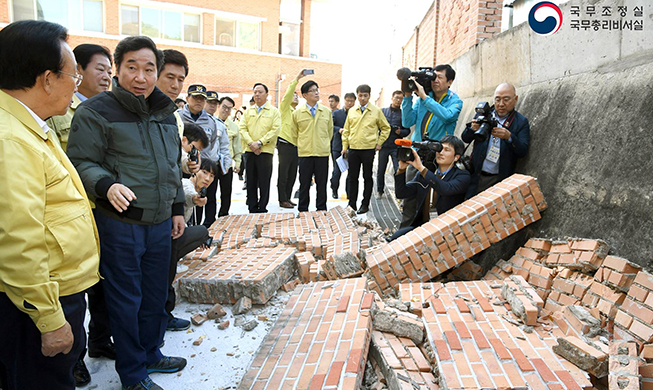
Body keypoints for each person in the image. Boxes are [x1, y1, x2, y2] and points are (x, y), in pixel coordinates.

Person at [67, 35, 187, 390]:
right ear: (118, 70)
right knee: (125, 301)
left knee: (154, 296)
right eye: (132, 67)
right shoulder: (95, 111)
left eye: (149, 68)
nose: (141, 76)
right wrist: (105, 184)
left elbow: (171, 167)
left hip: (161, 222)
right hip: (120, 224)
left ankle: (151, 352)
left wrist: (177, 208)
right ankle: (133, 374)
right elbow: (80, 161)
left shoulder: (166, 112)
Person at [0, 20, 100, 390]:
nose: (75, 88)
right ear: (46, 79)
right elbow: (18, 239)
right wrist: (49, 319)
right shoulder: (11, 140)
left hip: (51, 291)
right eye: (73, 78)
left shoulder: (28, 126)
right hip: (39, 302)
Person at [45, 42, 114, 387]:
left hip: (103, 209)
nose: (106, 76)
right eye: (98, 69)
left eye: (108, 70)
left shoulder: (110, 110)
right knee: (72, 293)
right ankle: (74, 359)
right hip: (71, 213)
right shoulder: (56, 110)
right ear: (79, 72)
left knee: (102, 284)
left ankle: (101, 341)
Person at [399, 64, 463, 228]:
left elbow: (447, 116)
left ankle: (428, 231)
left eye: (439, 77)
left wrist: (425, 98)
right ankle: (406, 230)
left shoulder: (455, 101)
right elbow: (407, 122)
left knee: (434, 199)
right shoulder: (423, 98)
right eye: (433, 77)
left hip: (438, 155)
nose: (435, 80)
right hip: (418, 151)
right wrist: (407, 96)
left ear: (449, 82)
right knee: (411, 196)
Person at [166, 151, 216, 332]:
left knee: (200, 233)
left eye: (211, 176)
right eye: (205, 173)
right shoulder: (186, 184)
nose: (208, 178)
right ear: (195, 171)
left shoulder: (195, 187)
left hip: (172, 235)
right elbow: (188, 195)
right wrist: (197, 199)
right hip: (167, 237)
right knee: (202, 230)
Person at [391, 135, 470, 240]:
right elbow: (401, 193)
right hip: (423, 226)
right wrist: (401, 170)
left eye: (447, 150)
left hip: (446, 231)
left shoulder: (463, 176)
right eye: (439, 148)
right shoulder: (427, 173)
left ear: (456, 157)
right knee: (396, 238)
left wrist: (421, 168)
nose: (441, 152)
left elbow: (445, 189)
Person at [462, 83, 530, 198]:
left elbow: (523, 151)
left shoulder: (520, 121)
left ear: (515, 99)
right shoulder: (483, 114)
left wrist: (509, 137)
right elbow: (465, 137)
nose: (501, 104)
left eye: (506, 99)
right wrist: (472, 129)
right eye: (497, 100)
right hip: (476, 175)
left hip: (499, 179)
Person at [178, 84, 231, 228]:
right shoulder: (177, 117)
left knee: (203, 199)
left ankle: (202, 227)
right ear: (187, 98)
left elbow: (213, 144)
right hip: (180, 167)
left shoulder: (212, 122)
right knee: (182, 199)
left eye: (202, 98)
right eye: (195, 98)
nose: (199, 101)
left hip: (203, 169)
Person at [341, 84, 391, 214]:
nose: (362, 98)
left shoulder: (376, 111)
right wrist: (345, 147)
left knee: (367, 177)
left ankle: (365, 204)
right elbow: (346, 130)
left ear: (369, 96)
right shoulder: (352, 111)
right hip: (354, 149)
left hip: (368, 149)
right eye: (360, 95)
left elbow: (386, 128)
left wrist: (379, 142)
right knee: (352, 177)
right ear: (357, 95)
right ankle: (352, 204)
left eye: (365, 95)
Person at [290, 80, 334, 212]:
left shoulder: (326, 111)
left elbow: (329, 132)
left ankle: (321, 210)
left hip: (322, 154)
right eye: (312, 91)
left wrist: (323, 143)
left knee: (322, 185)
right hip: (305, 154)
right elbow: (294, 134)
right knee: (304, 184)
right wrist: (303, 145)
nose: (316, 92)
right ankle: (303, 210)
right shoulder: (297, 113)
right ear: (304, 95)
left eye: (317, 90)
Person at [239, 83, 281, 213]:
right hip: (249, 150)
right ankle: (252, 207)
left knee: (264, 181)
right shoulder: (248, 111)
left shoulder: (273, 111)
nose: (257, 94)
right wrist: (251, 143)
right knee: (250, 180)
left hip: (265, 152)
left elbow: (275, 130)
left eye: (260, 92)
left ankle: (262, 207)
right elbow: (242, 128)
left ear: (267, 94)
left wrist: (260, 143)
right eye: (255, 92)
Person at [156, 49, 199, 175]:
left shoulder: (174, 117)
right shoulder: (137, 111)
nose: (175, 85)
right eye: (170, 77)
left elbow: (173, 154)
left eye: (180, 80)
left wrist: (186, 164)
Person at [277, 71, 306, 208]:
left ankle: (288, 197)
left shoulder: (297, 113)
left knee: (292, 173)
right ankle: (282, 199)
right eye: (294, 95)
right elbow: (288, 94)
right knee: (283, 173)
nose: (295, 97)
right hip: (285, 144)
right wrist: (297, 79)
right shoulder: (284, 108)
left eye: (297, 96)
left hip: (295, 146)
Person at [377, 90, 410, 198]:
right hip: (384, 145)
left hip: (396, 145)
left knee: (398, 169)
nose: (398, 100)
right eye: (396, 98)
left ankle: (398, 192)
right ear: (392, 98)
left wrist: (400, 132)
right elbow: (376, 126)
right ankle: (379, 190)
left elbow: (407, 130)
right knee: (381, 169)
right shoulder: (383, 111)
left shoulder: (403, 114)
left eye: (401, 99)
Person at [215, 96, 242, 216]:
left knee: (226, 192)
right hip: (212, 163)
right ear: (218, 106)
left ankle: (223, 215)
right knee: (210, 193)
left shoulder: (234, 126)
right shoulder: (211, 122)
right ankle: (209, 219)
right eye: (224, 107)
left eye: (229, 109)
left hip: (226, 164)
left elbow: (237, 147)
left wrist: (238, 162)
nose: (226, 110)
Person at [330, 92, 355, 199]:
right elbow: (330, 126)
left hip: (353, 146)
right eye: (347, 100)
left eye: (352, 101)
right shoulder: (337, 113)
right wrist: (338, 129)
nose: (349, 103)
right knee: (337, 170)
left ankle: (349, 192)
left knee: (352, 171)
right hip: (337, 146)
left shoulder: (356, 114)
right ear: (344, 101)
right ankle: (334, 190)